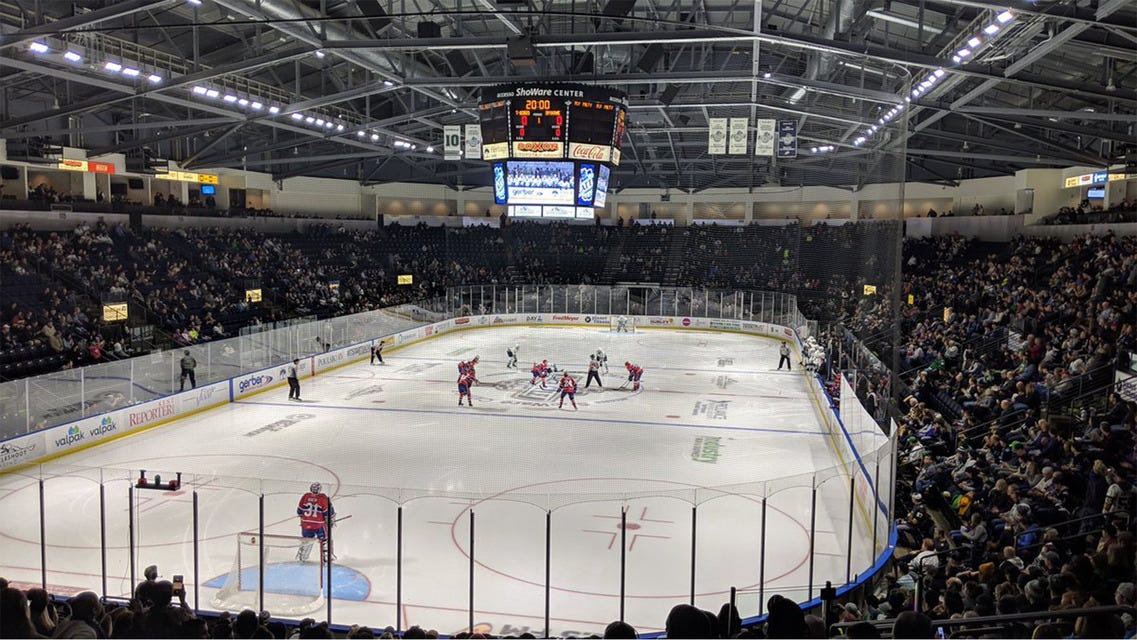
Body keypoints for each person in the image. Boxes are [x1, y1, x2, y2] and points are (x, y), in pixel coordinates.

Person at [297, 482, 335, 562]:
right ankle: (327, 557)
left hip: (306, 523)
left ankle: (302, 556)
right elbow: (328, 513)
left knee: (307, 540)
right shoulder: (323, 498)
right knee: (325, 539)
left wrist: (305, 518)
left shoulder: (305, 496)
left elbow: (299, 511)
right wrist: (330, 520)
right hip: (319, 525)